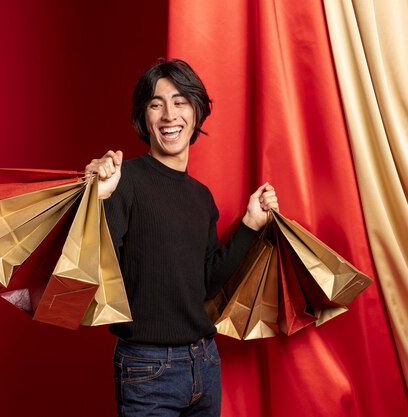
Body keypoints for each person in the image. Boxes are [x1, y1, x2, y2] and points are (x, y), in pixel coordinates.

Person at [85, 58, 278, 417]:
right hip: (146, 369)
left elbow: (206, 283)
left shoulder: (201, 196)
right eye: (156, 104)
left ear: (196, 112)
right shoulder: (124, 181)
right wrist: (99, 200)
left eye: (180, 102)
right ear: (144, 118)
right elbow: (95, 271)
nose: (169, 115)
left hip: (204, 361)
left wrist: (251, 224)